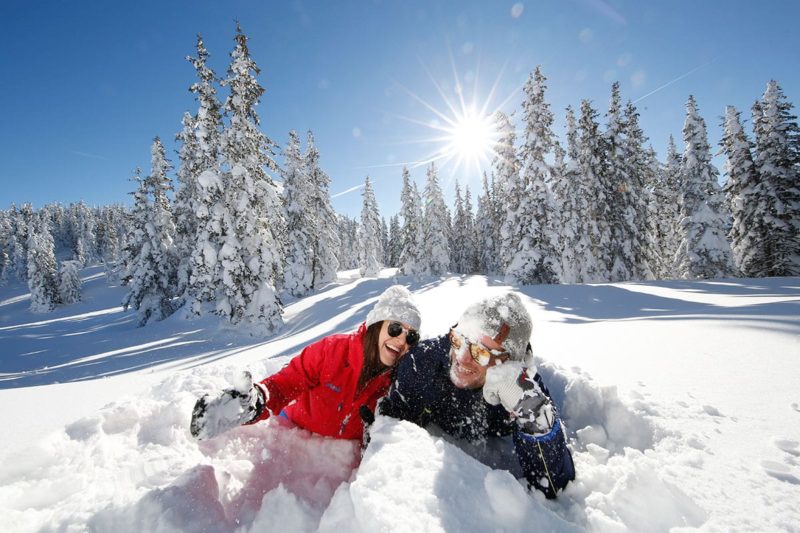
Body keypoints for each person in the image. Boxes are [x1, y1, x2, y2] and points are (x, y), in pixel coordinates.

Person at [379, 292, 575, 499]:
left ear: (509, 362)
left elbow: (553, 487)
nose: (461, 359)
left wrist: (533, 417)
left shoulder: (524, 389)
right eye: (458, 341)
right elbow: (393, 433)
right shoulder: (422, 364)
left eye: (480, 353)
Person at [190, 285, 422, 443]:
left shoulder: (398, 380)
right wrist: (256, 402)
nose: (401, 339)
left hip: (334, 465)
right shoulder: (332, 350)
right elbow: (284, 384)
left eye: (411, 336)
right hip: (293, 438)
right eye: (395, 328)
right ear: (376, 326)